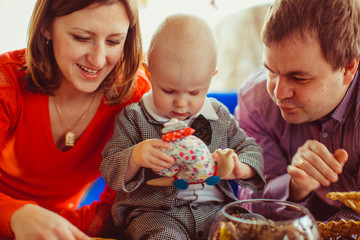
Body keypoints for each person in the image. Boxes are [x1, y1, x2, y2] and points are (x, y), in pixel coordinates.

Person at [100, 14, 265, 239]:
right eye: (168, 91)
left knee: (259, 228)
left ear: (211, 78)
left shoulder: (218, 115)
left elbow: (250, 149)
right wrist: (135, 157)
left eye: (194, 92)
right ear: (149, 73)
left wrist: (241, 167)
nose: (181, 103)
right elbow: (109, 167)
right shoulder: (133, 117)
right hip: (155, 213)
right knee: (163, 236)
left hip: (216, 212)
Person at [0, 0, 150, 239]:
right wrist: (15, 216)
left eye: (114, 41)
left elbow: (121, 205)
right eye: (81, 38)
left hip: (68, 226)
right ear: (46, 27)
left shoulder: (137, 97)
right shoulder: (5, 83)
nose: (98, 60)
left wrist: (58, 226)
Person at [235, 0, 360, 222]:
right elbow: (249, 209)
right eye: (271, 71)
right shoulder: (255, 103)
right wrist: (293, 187)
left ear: (349, 68)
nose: (278, 92)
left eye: (298, 77)